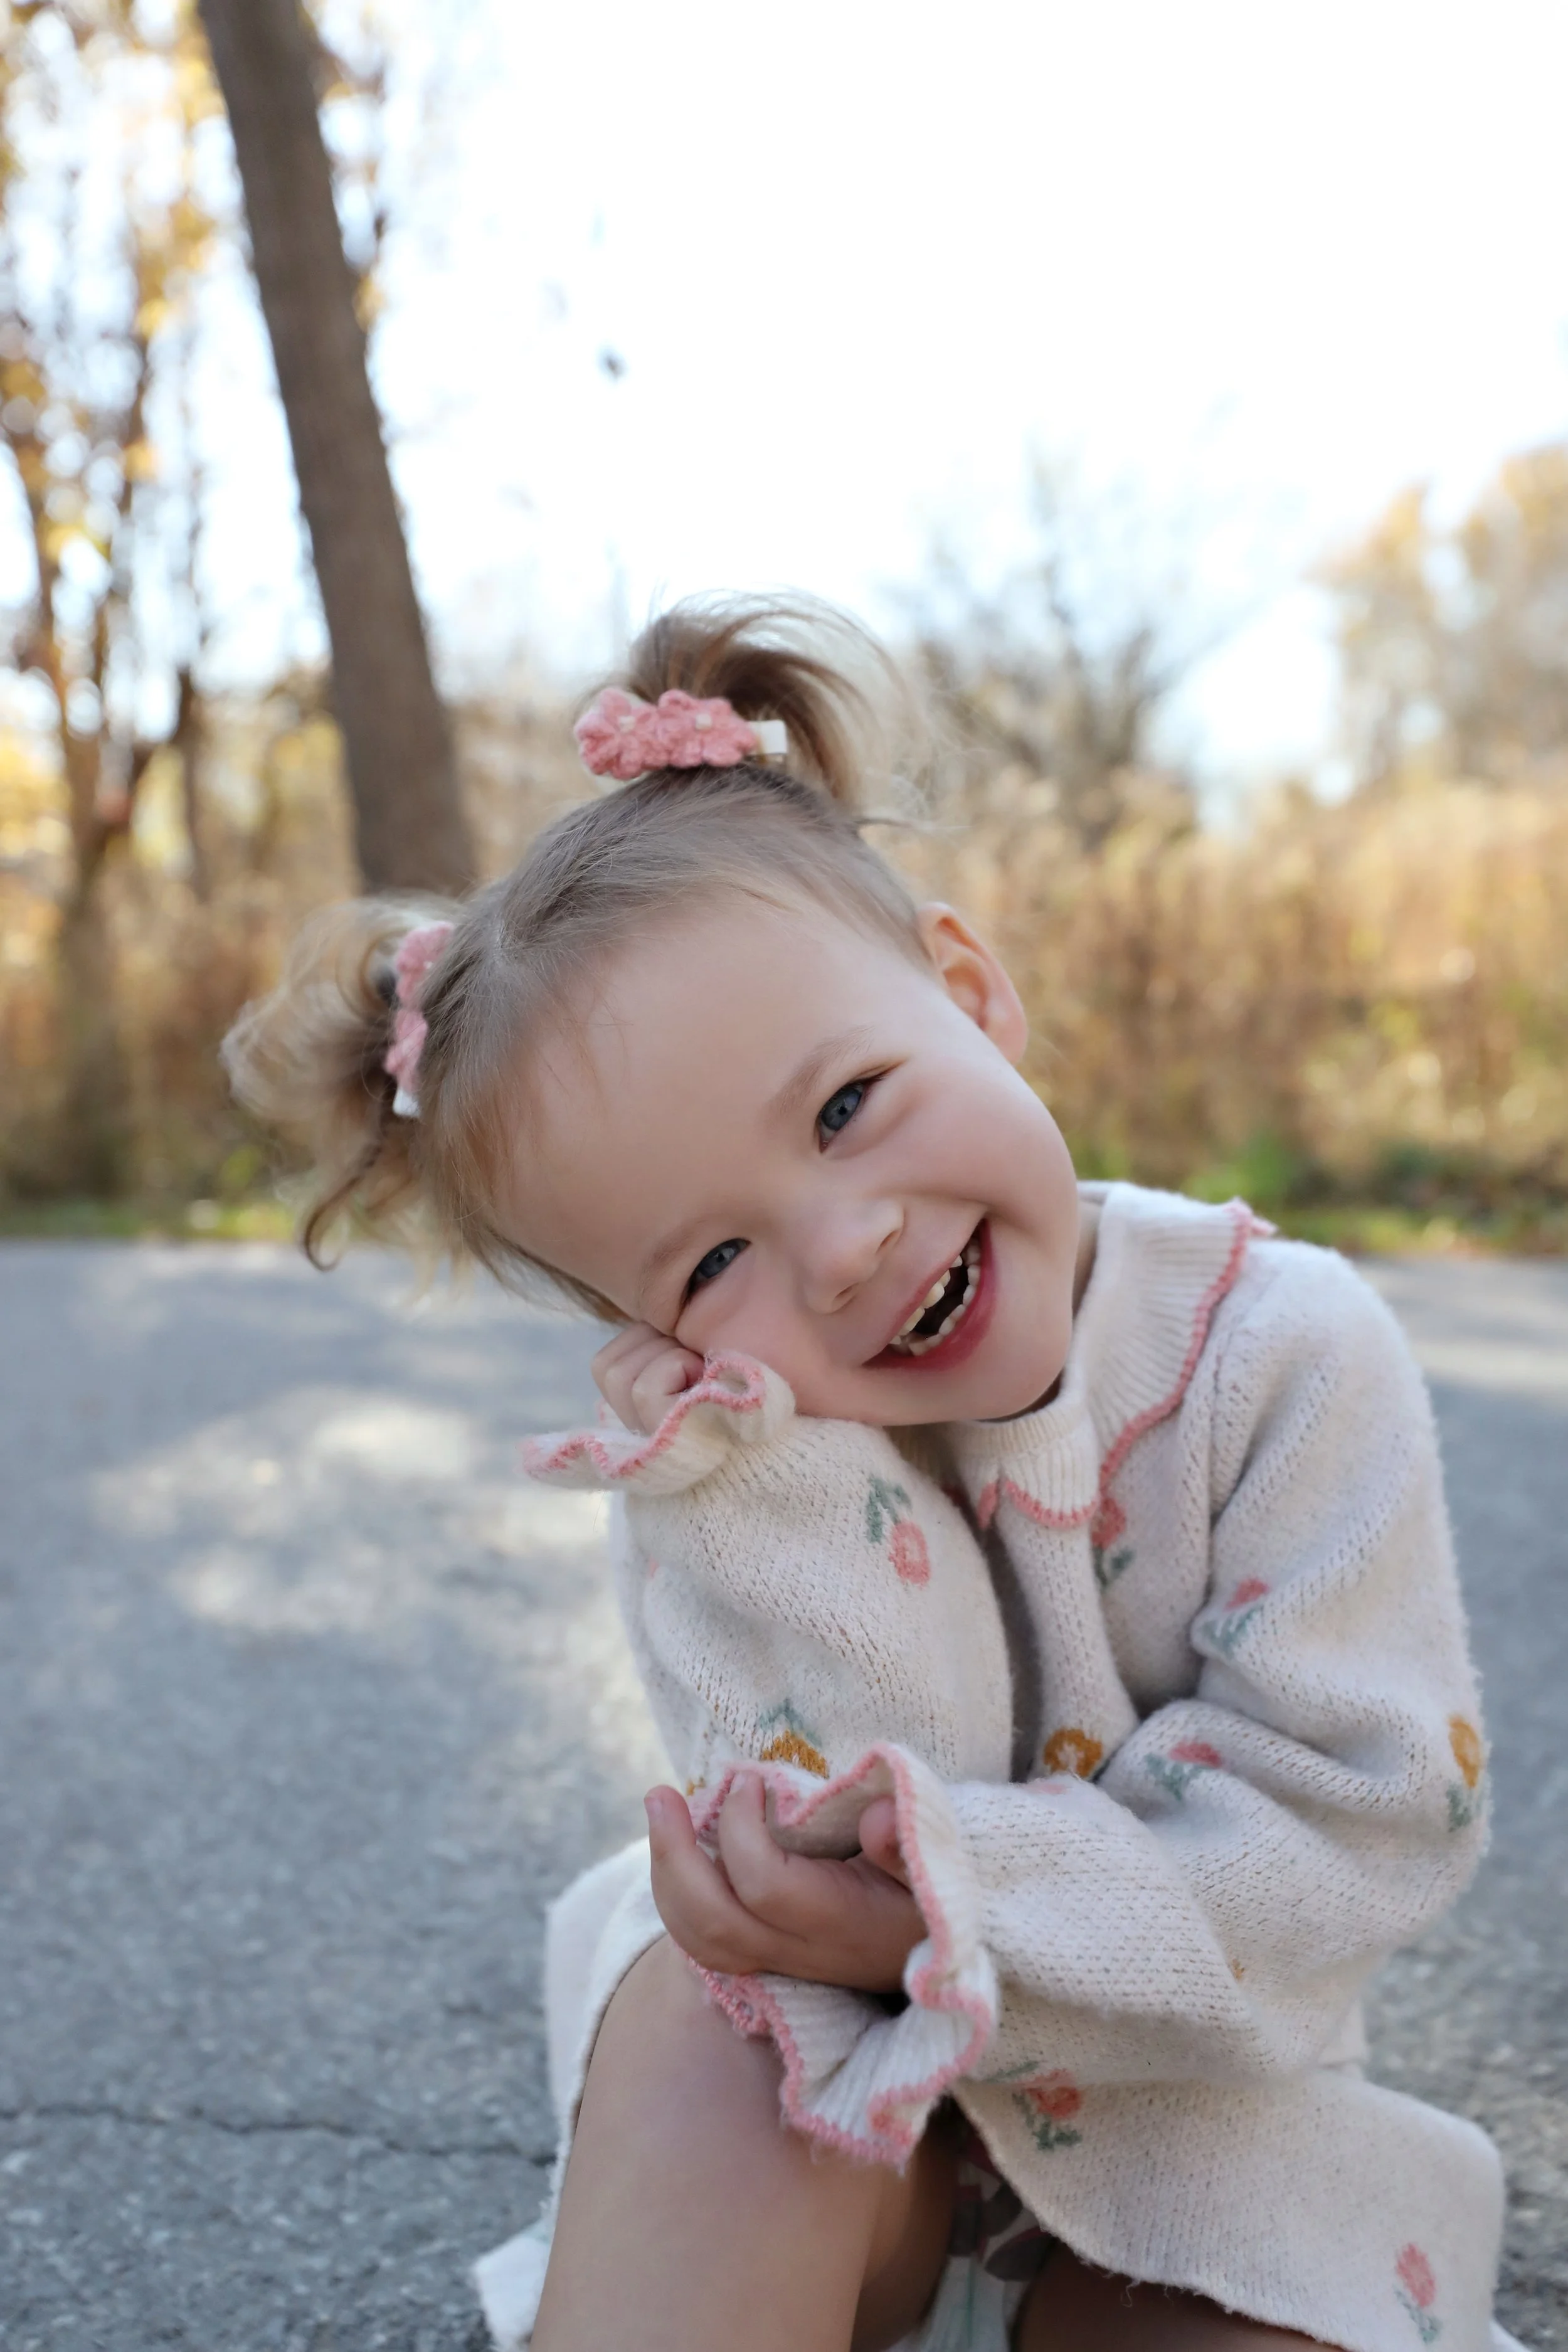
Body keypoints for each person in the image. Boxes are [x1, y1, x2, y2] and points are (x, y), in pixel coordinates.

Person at [225, 597, 1516, 2352]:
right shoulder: (737, 1448)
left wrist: (956, 1890)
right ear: (646, 1326)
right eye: (707, 1265)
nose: (835, 1253)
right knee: (704, 2017)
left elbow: (1349, 1829)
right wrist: (760, 1497)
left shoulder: (1276, 1350)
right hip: (852, 2112)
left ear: (969, 991)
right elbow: (812, 1767)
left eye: (842, 1107)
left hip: (1202, 2108)